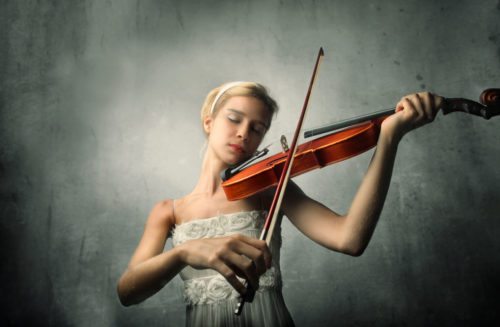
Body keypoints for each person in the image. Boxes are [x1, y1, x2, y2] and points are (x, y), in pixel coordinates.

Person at [117, 81, 443, 326]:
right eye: (234, 118)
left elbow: (350, 239)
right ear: (208, 121)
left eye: (257, 128)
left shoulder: (272, 191)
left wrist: (388, 138)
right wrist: (184, 252)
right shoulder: (168, 211)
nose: (244, 133)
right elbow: (127, 292)